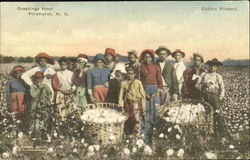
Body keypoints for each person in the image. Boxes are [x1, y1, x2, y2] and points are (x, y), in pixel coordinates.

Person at [195, 58, 226, 137]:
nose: (212, 68)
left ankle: (220, 133)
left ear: (217, 67)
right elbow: (196, 86)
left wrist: (220, 97)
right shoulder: (203, 75)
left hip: (214, 97)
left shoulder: (218, 76)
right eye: (211, 66)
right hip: (205, 96)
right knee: (206, 113)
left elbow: (222, 88)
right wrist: (203, 85)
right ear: (209, 66)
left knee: (218, 114)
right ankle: (206, 132)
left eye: (215, 66)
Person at [139, 49, 163, 145]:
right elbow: (139, 82)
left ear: (152, 58)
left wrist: (155, 93)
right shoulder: (141, 67)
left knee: (155, 113)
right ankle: (146, 139)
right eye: (145, 57)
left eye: (149, 57)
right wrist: (144, 94)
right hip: (144, 91)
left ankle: (155, 139)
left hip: (155, 92)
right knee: (146, 113)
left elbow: (160, 83)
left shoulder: (156, 67)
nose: (147, 59)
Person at [119, 66, 146, 137]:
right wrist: (121, 106)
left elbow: (143, 95)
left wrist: (143, 106)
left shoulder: (138, 82)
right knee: (128, 119)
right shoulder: (124, 83)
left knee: (136, 119)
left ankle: (136, 135)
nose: (130, 75)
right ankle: (128, 135)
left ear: (134, 74)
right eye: (128, 73)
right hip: (128, 103)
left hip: (136, 103)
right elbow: (121, 95)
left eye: (131, 74)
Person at [29, 71, 52, 140]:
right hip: (35, 104)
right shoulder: (33, 86)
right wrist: (39, 89)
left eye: (40, 78)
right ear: (35, 79)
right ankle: (35, 132)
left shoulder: (45, 86)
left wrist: (46, 99)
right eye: (37, 78)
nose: (39, 79)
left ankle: (43, 132)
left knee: (44, 117)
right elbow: (33, 95)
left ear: (42, 78)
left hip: (44, 104)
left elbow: (50, 93)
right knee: (35, 118)